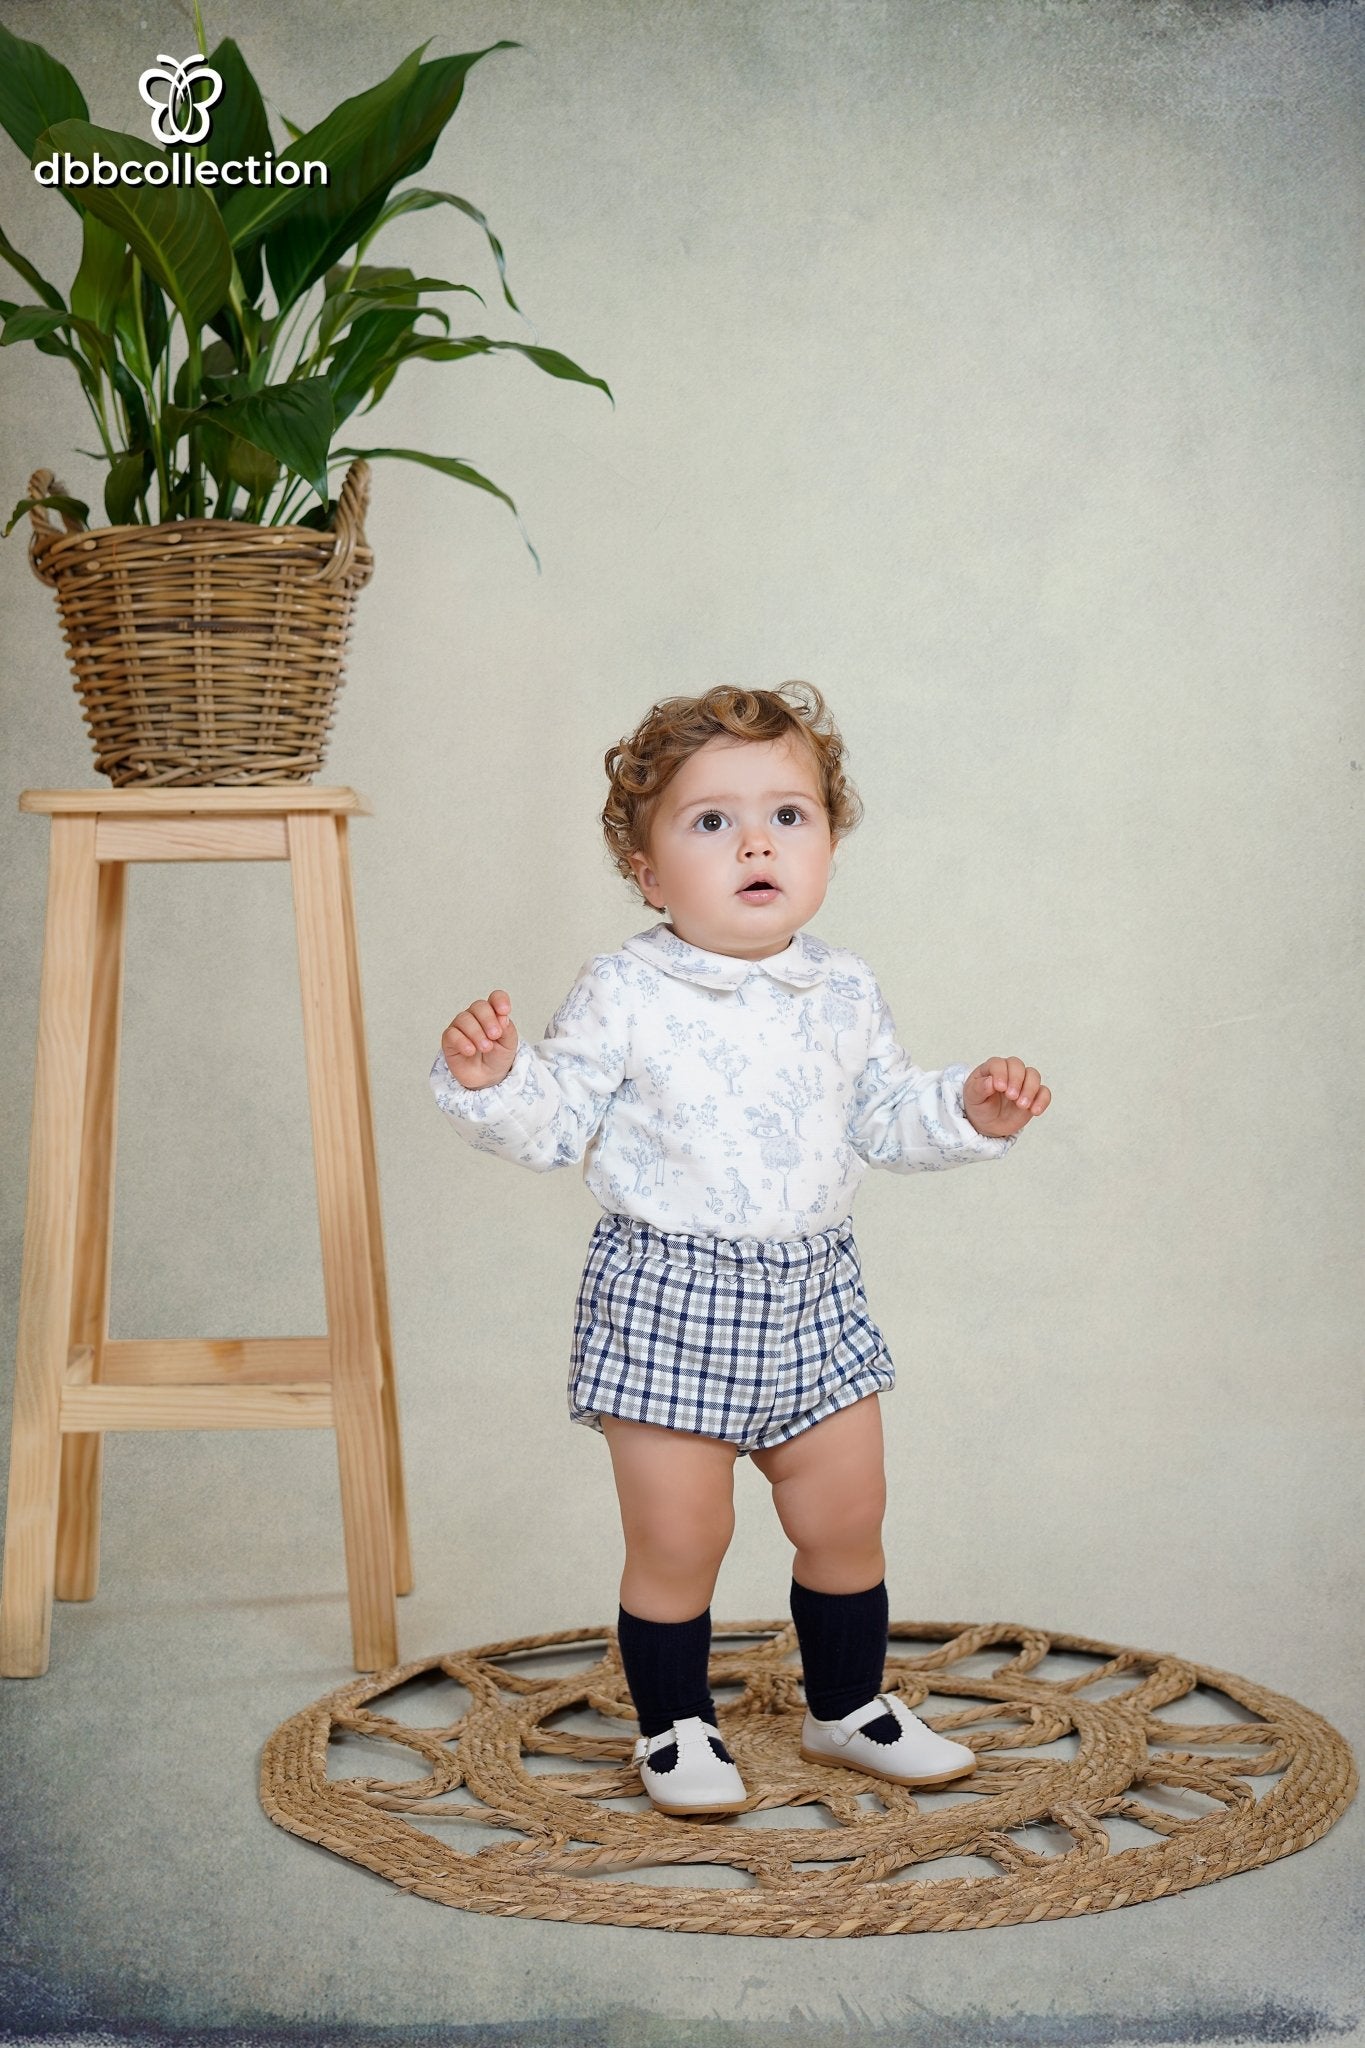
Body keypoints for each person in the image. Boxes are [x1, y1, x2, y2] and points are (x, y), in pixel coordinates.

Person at [430, 683, 1050, 1817]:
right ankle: (675, 1725)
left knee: (845, 1518)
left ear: (827, 846)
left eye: (788, 815)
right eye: (711, 821)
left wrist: (968, 1108)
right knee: (681, 1536)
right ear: (649, 873)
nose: (755, 842)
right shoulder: (625, 989)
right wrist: (495, 1080)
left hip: (814, 1292)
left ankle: (846, 1705)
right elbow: (557, 1121)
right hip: (670, 1295)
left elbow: (884, 1117)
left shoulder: (843, 987)